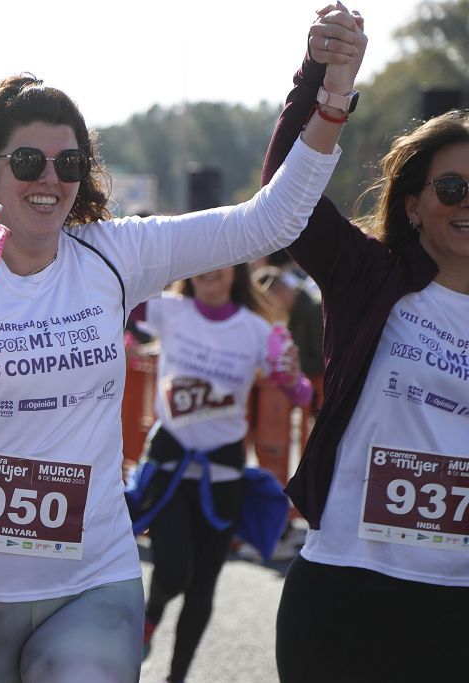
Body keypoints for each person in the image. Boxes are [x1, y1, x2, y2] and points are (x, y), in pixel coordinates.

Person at [0, 23, 361, 678]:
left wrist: (330, 101)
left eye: (68, 165)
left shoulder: (112, 255)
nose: (50, 181)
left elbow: (271, 219)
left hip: (90, 580)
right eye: (28, 162)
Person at [263, 7, 469, 683]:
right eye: (452, 187)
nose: (467, 203)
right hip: (345, 589)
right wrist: (324, 81)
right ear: (413, 204)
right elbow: (287, 201)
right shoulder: (369, 277)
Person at [129, 265, 311, 683]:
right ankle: (150, 618)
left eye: (221, 261)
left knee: (203, 586)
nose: (210, 271)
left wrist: (290, 376)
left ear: (236, 270)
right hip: (171, 466)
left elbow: (300, 391)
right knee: (173, 570)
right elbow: (111, 295)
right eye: (202, 261)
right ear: (189, 270)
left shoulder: (257, 329)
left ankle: (177, 676)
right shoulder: (168, 310)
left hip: (223, 474)